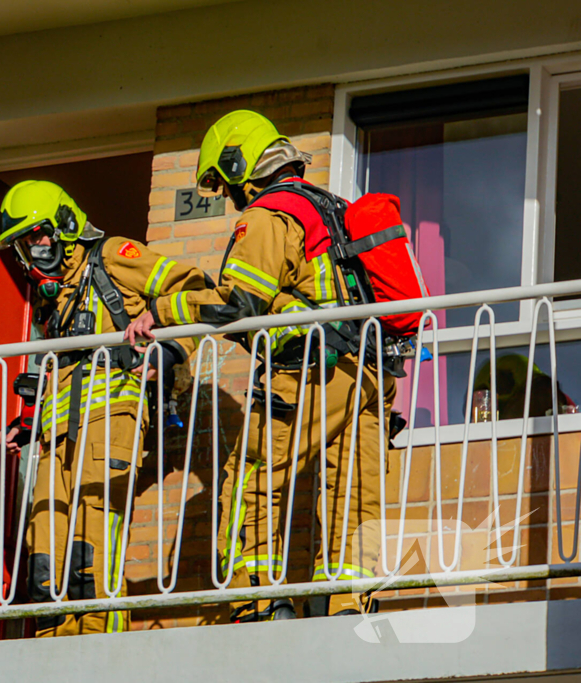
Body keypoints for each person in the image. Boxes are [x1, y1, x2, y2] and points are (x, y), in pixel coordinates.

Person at [126, 110, 399, 619]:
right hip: (368, 371)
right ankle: (347, 602)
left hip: (309, 369)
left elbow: (238, 304)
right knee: (354, 486)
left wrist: (160, 312)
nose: (230, 194)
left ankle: (260, 600)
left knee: (256, 474)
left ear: (239, 164)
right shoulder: (331, 208)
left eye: (226, 182)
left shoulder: (271, 215)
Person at [0, 180, 207, 636]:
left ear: (65, 226)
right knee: (45, 546)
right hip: (57, 434)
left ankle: (97, 646)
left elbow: (189, 283)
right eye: (23, 243)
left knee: (94, 541)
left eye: (38, 235)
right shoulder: (52, 297)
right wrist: (30, 422)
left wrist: (169, 349)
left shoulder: (113, 256)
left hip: (112, 414)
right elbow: (63, 370)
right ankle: (54, 643)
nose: (33, 250)